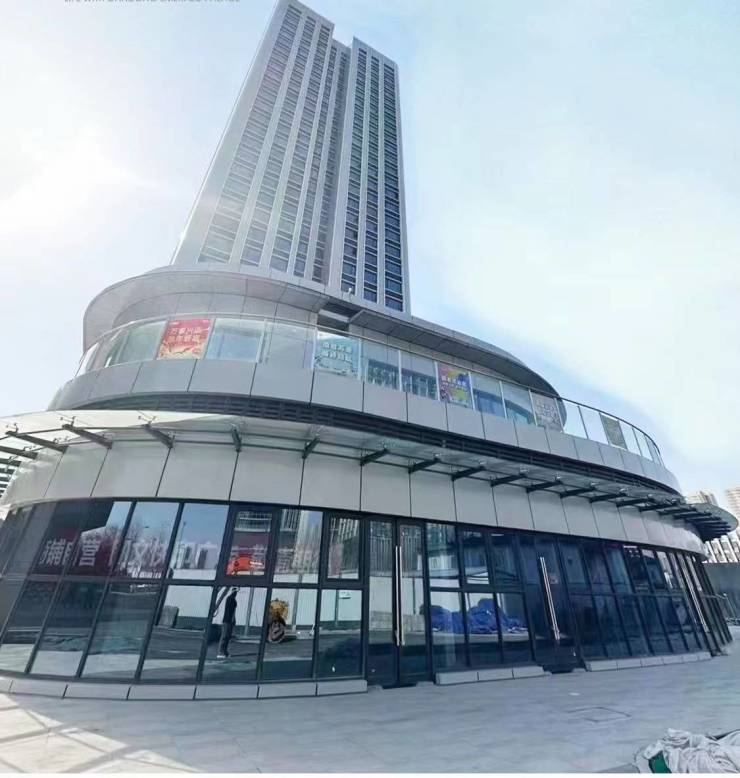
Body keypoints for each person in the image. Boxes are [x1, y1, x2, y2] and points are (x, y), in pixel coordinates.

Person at [217, 587, 238, 659]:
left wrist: (233, 620)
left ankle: (224, 651)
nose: (235, 593)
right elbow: (230, 611)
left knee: (227, 637)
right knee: (224, 636)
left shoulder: (233, 600)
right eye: (234, 591)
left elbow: (233, 612)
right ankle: (220, 652)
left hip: (230, 621)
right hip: (226, 621)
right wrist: (232, 620)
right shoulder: (230, 599)